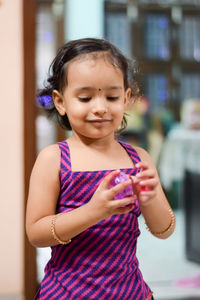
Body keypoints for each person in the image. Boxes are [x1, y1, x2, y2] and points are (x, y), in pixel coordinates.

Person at [26, 38, 175, 300]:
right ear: (61, 101)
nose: (100, 108)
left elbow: (165, 230)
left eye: (112, 96)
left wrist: (151, 200)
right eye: (85, 97)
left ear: (126, 98)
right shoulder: (54, 159)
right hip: (66, 293)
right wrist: (94, 211)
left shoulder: (138, 158)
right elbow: (36, 233)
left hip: (130, 292)